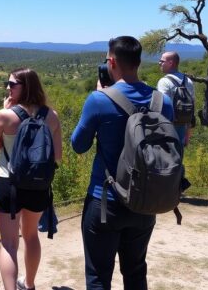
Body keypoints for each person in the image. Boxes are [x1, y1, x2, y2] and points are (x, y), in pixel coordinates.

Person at [70, 36, 174, 290]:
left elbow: (78, 145)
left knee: (98, 276)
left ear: (112, 62)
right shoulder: (163, 102)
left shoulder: (99, 100)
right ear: (138, 62)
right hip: (145, 202)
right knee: (136, 272)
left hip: (106, 200)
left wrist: (99, 96)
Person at [0, 68, 63, 290]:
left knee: (9, 244)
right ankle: (29, 285)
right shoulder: (52, 116)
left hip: (7, 182)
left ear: (25, 87)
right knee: (31, 236)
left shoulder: (6, 116)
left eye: (11, 84)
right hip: (38, 184)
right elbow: (57, 156)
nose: (8, 88)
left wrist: (3, 112)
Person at [157, 51, 196, 147]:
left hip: (167, 129)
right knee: (178, 158)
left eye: (162, 61)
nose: (159, 63)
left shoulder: (164, 82)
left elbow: (162, 107)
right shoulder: (188, 81)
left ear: (170, 63)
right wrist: (187, 133)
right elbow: (192, 106)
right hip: (183, 127)